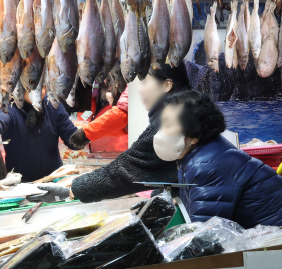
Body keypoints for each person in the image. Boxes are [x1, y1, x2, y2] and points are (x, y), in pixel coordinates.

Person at [45, 63, 192, 203]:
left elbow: (128, 169)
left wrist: (75, 189)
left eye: (145, 82)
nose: (139, 90)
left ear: (167, 85)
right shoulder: (183, 111)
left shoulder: (173, 122)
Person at [156, 91, 282, 228]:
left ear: (194, 135)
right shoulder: (196, 154)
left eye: (168, 125)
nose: (160, 132)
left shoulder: (207, 165)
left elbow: (204, 233)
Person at [0, 89, 79, 183]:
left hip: (53, 180)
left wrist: (85, 135)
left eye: (43, 86)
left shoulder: (53, 104)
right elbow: (1, 121)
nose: (42, 91)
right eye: (35, 87)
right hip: (20, 184)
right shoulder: (10, 107)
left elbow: (71, 137)